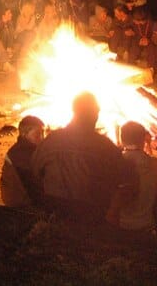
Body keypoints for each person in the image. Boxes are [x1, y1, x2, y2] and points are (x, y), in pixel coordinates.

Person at [31, 92, 130, 223]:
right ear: (94, 114)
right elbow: (124, 181)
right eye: (96, 112)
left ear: (74, 111)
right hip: (92, 218)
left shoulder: (50, 141)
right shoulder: (105, 147)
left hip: (55, 216)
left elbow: (35, 172)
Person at [111, 122, 157, 235]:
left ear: (121, 139)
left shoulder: (115, 164)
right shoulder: (156, 165)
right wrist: (148, 145)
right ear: (143, 139)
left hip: (121, 225)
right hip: (146, 224)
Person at [0, 115, 45, 208]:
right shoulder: (22, 154)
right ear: (24, 134)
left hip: (19, 198)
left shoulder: (21, 149)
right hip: (21, 203)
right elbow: (33, 187)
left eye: (43, 133)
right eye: (37, 134)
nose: (42, 138)